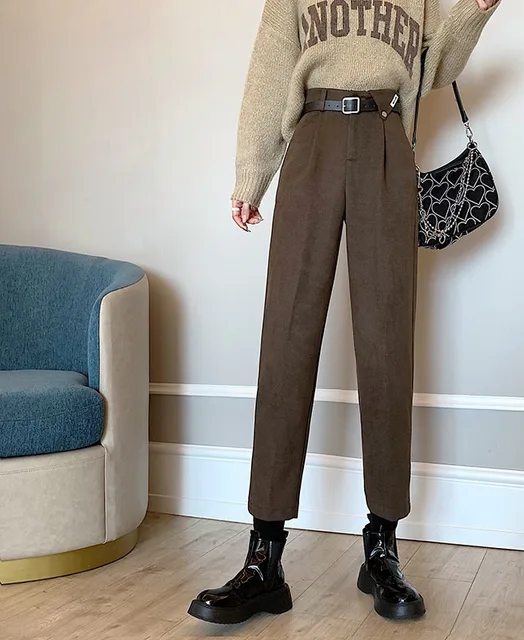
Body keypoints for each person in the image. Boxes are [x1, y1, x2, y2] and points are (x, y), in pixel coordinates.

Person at [189, 0, 500, 625]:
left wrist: (474, 10)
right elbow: (270, 72)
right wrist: (251, 175)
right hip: (312, 137)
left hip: (387, 141)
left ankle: (382, 547)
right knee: (287, 338)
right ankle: (264, 558)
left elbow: (433, 67)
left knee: (387, 339)